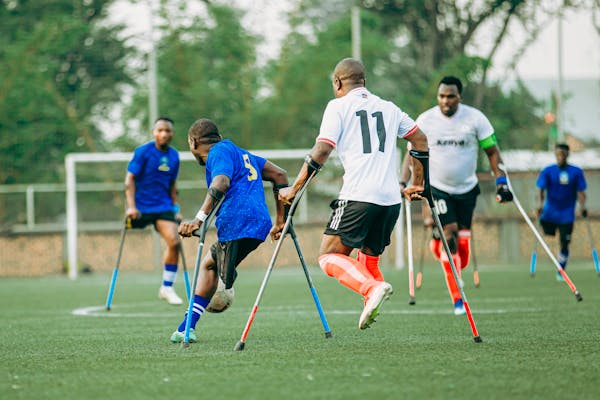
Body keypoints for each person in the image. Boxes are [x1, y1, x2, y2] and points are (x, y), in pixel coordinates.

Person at [279, 58, 429, 330]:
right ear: (364, 82)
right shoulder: (389, 107)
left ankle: (372, 289)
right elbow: (420, 140)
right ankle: (373, 298)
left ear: (337, 83)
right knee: (368, 260)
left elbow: (322, 150)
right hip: (390, 200)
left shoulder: (338, 106)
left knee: (328, 256)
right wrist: (418, 183)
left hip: (359, 196)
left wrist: (295, 187)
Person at [170, 118, 288, 343]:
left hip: (236, 221)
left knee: (211, 268)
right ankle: (190, 322)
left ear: (193, 142)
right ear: (219, 137)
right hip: (260, 223)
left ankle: (195, 318)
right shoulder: (241, 153)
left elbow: (221, 182)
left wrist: (198, 220)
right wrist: (281, 220)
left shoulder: (218, 152)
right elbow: (280, 175)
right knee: (210, 263)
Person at [414, 76, 513, 315]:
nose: (445, 101)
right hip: (438, 188)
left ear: (459, 97)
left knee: (462, 251)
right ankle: (458, 298)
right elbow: (412, 153)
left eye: (450, 96)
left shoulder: (476, 118)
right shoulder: (425, 120)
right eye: (441, 96)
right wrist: (410, 182)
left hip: (467, 189)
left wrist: (501, 182)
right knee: (450, 236)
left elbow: (492, 152)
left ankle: (438, 246)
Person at [125, 116, 185, 305]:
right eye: (160, 130)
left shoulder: (174, 156)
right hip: (141, 207)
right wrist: (131, 207)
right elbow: (129, 179)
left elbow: (173, 185)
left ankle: (167, 288)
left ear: (172, 133)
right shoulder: (143, 152)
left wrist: (175, 208)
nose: (164, 134)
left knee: (175, 241)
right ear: (154, 132)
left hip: (163, 206)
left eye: (167, 131)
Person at [536, 143, 587, 280]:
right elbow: (541, 189)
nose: (560, 157)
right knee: (548, 236)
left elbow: (581, 192)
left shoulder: (576, 172)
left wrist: (582, 207)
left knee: (565, 242)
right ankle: (553, 257)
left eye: (563, 154)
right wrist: (539, 205)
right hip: (549, 213)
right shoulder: (548, 171)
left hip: (567, 214)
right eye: (558, 154)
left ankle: (561, 270)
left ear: (567, 155)